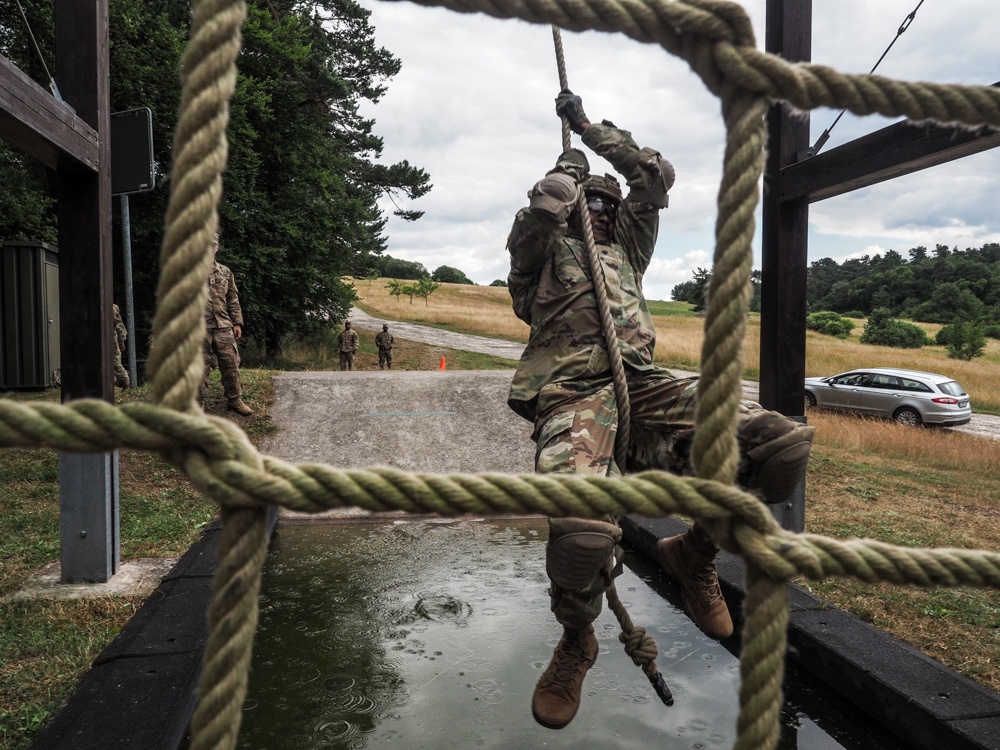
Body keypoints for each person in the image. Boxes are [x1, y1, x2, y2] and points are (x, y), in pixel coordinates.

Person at [506, 89, 814, 730]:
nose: (598, 210)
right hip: (574, 398)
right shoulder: (537, 261)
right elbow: (539, 215)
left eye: (606, 206)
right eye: (591, 205)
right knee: (583, 529)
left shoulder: (628, 256)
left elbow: (653, 175)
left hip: (645, 387)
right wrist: (567, 175)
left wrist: (589, 130)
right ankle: (577, 638)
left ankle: (693, 554)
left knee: (775, 445)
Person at [203, 233, 252, 415]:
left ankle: (235, 400)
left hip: (224, 326)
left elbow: (232, 298)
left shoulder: (225, 271)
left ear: (216, 248)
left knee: (230, 364)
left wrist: (237, 322)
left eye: (212, 245)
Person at [112, 303, 130, 389]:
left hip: (111, 339)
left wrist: (121, 341)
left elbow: (119, 325)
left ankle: (125, 382)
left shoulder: (111, 308)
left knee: (116, 362)